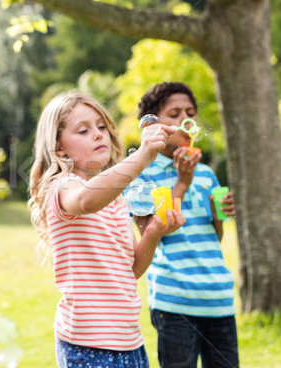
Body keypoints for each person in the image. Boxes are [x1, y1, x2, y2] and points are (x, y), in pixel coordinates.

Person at [28, 90, 185, 368]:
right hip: (86, 343)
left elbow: (131, 269)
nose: (99, 134)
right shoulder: (63, 187)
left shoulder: (117, 199)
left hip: (129, 340)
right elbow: (87, 200)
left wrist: (152, 233)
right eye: (84, 130)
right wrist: (145, 155)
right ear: (59, 147)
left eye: (101, 127)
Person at [132, 81, 238, 368]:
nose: (184, 119)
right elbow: (150, 235)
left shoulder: (206, 174)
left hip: (218, 297)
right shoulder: (141, 176)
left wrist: (221, 214)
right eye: (174, 113)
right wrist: (181, 183)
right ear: (153, 126)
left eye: (189, 112)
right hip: (174, 300)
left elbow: (215, 236)